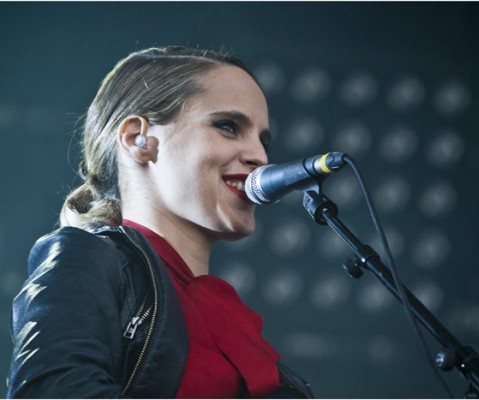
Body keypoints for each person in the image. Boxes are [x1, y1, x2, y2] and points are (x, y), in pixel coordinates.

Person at [7, 46, 314, 398]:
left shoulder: (232, 315)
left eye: (263, 140)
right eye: (228, 126)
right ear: (139, 140)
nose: (260, 156)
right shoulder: (86, 258)